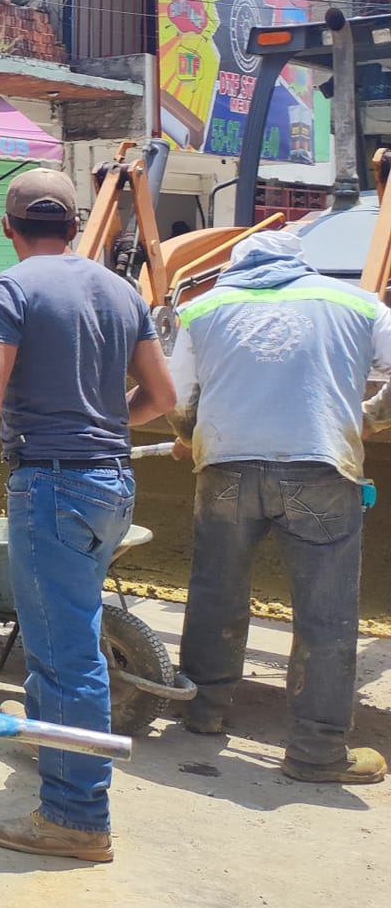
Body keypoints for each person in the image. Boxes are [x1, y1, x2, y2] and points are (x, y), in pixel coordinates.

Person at [0, 167, 175, 863]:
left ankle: (76, 817)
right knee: (72, 642)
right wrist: (103, 425)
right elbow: (163, 395)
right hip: (113, 486)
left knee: (63, 658)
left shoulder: (10, 288)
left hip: (54, 487)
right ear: (74, 223)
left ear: (8, 228)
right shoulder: (122, 291)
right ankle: (66, 761)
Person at [166, 229, 389, 784]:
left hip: (226, 471)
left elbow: (176, 399)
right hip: (320, 469)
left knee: (216, 593)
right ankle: (316, 752)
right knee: (325, 613)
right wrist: (373, 415)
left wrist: (189, 433)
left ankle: (202, 711)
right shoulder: (357, 304)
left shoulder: (203, 307)